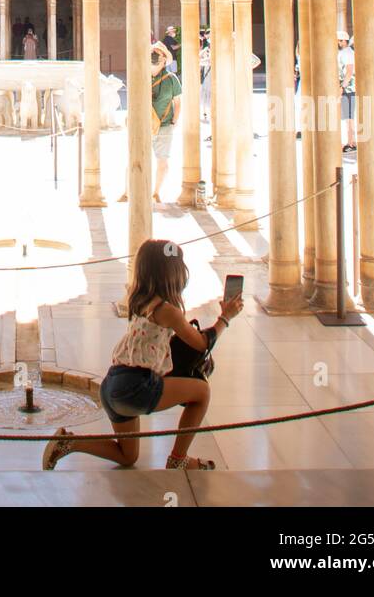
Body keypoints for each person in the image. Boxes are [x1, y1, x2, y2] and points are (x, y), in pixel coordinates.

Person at [42, 238, 243, 471]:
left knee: (128, 457)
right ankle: (178, 459)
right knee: (202, 392)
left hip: (112, 386)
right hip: (134, 389)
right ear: (173, 274)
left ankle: (69, 442)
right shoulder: (168, 311)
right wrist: (225, 317)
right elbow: (201, 343)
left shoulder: (140, 301)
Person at [151, 41, 181, 205]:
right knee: (133, 160)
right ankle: (129, 191)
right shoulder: (141, 75)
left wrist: (174, 121)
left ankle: (156, 192)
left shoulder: (171, 79)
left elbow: (177, 102)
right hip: (144, 127)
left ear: (164, 60)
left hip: (164, 126)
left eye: (157, 53)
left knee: (162, 161)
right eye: (152, 53)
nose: (154, 56)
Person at [337, 30, 356, 152]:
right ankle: (350, 141)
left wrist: (342, 87)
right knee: (346, 116)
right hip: (345, 87)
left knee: (349, 116)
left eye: (339, 40)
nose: (337, 43)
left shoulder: (347, 53)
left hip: (348, 88)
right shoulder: (343, 52)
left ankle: (351, 143)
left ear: (344, 41)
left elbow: (349, 71)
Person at [199, 31, 211, 123]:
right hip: (207, 74)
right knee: (205, 93)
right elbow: (199, 57)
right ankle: (205, 113)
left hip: (210, 74)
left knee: (207, 93)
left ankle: (206, 113)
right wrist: (204, 50)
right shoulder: (207, 48)